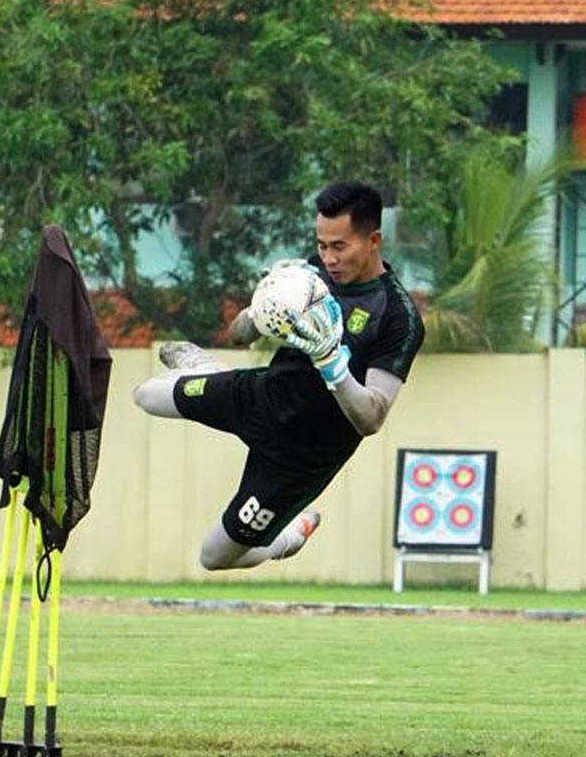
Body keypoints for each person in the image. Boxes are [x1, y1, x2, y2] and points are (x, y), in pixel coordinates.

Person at [133, 181, 425, 570]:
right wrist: (262, 309)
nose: (329, 257)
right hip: (261, 396)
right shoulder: (312, 275)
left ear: (373, 240)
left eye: (339, 247)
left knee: (213, 557)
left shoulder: (398, 316)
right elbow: (239, 337)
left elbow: (371, 418)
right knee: (145, 395)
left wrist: (330, 361)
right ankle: (205, 371)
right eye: (322, 245)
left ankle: (285, 539)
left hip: (301, 457)